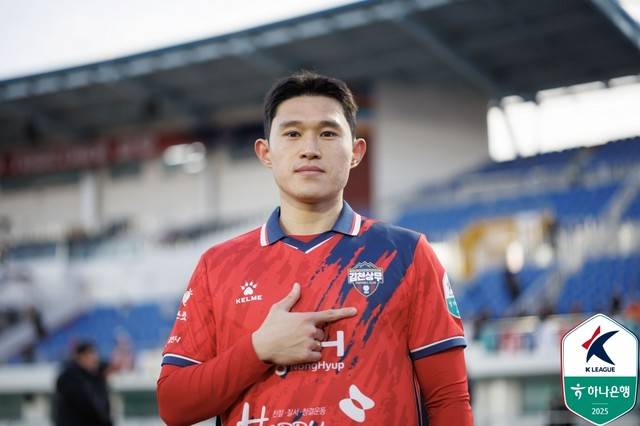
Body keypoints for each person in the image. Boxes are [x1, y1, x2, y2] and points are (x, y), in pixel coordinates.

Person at [157, 71, 473, 425]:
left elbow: (449, 401)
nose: (310, 148)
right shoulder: (218, 265)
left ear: (356, 152)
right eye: (292, 134)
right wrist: (259, 350)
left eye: (328, 133)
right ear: (265, 152)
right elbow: (174, 405)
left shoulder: (406, 254)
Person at [53, 341, 112, 426]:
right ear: (80, 357)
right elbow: (86, 407)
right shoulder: (69, 378)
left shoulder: (93, 375)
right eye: (89, 355)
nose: (94, 359)